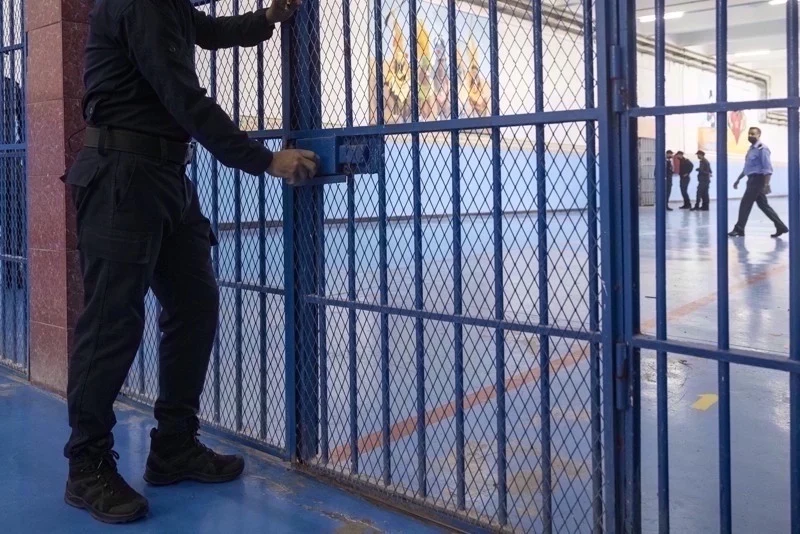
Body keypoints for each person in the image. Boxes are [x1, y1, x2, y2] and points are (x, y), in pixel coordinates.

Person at [62, 0, 319, 524]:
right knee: (112, 324)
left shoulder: (170, 8)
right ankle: (86, 465)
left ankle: (174, 445)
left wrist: (266, 21)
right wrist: (264, 159)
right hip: (122, 175)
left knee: (195, 305)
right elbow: (182, 95)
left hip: (166, 177)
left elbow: (207, 30)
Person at [728, 127, 789, 238]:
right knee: (763, 206)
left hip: (757, 180)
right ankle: (781, 226)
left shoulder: (762, 149)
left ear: (759, 135)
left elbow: (767, 169)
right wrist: (738, 179)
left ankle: (739, 229)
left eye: (753, 134)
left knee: (745, 204)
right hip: (751, 179)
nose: (750, 135)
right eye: (749, 133)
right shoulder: (751, 149)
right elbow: (748, 168)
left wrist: (766, 184)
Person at [0, 75, 25, 289]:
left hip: (8, 160)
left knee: (12, 216)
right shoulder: (11, 86)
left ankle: (11, 268)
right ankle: (11, 268)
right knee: (12, 216)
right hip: (8, 159)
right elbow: (24, 122)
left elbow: (23, 121)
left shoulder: (11, 86)